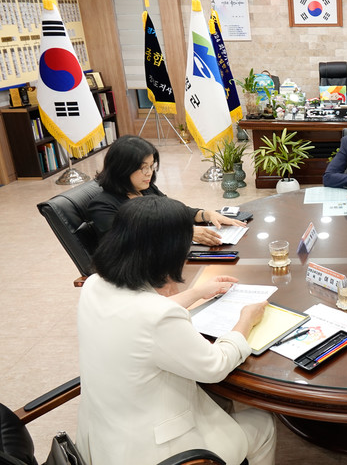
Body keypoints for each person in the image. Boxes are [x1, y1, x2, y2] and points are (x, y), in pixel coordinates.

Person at [76, 195, 276, 465]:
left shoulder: (93, 284)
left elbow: (135, 315)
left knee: (218, 403)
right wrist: (246, 320)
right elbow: (214, 366)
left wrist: (197, 293)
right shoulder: (159, 317)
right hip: (157, 453)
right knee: (263, 423)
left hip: (105, 439)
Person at [88, 135, 245, 245]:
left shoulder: (145, 189)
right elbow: (129, 240)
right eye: (143, 168)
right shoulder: (103, 205)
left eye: (151, 166)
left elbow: (174, 212)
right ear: (122, 169)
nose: (149, 173)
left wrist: (206, 214)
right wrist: (185, 234)